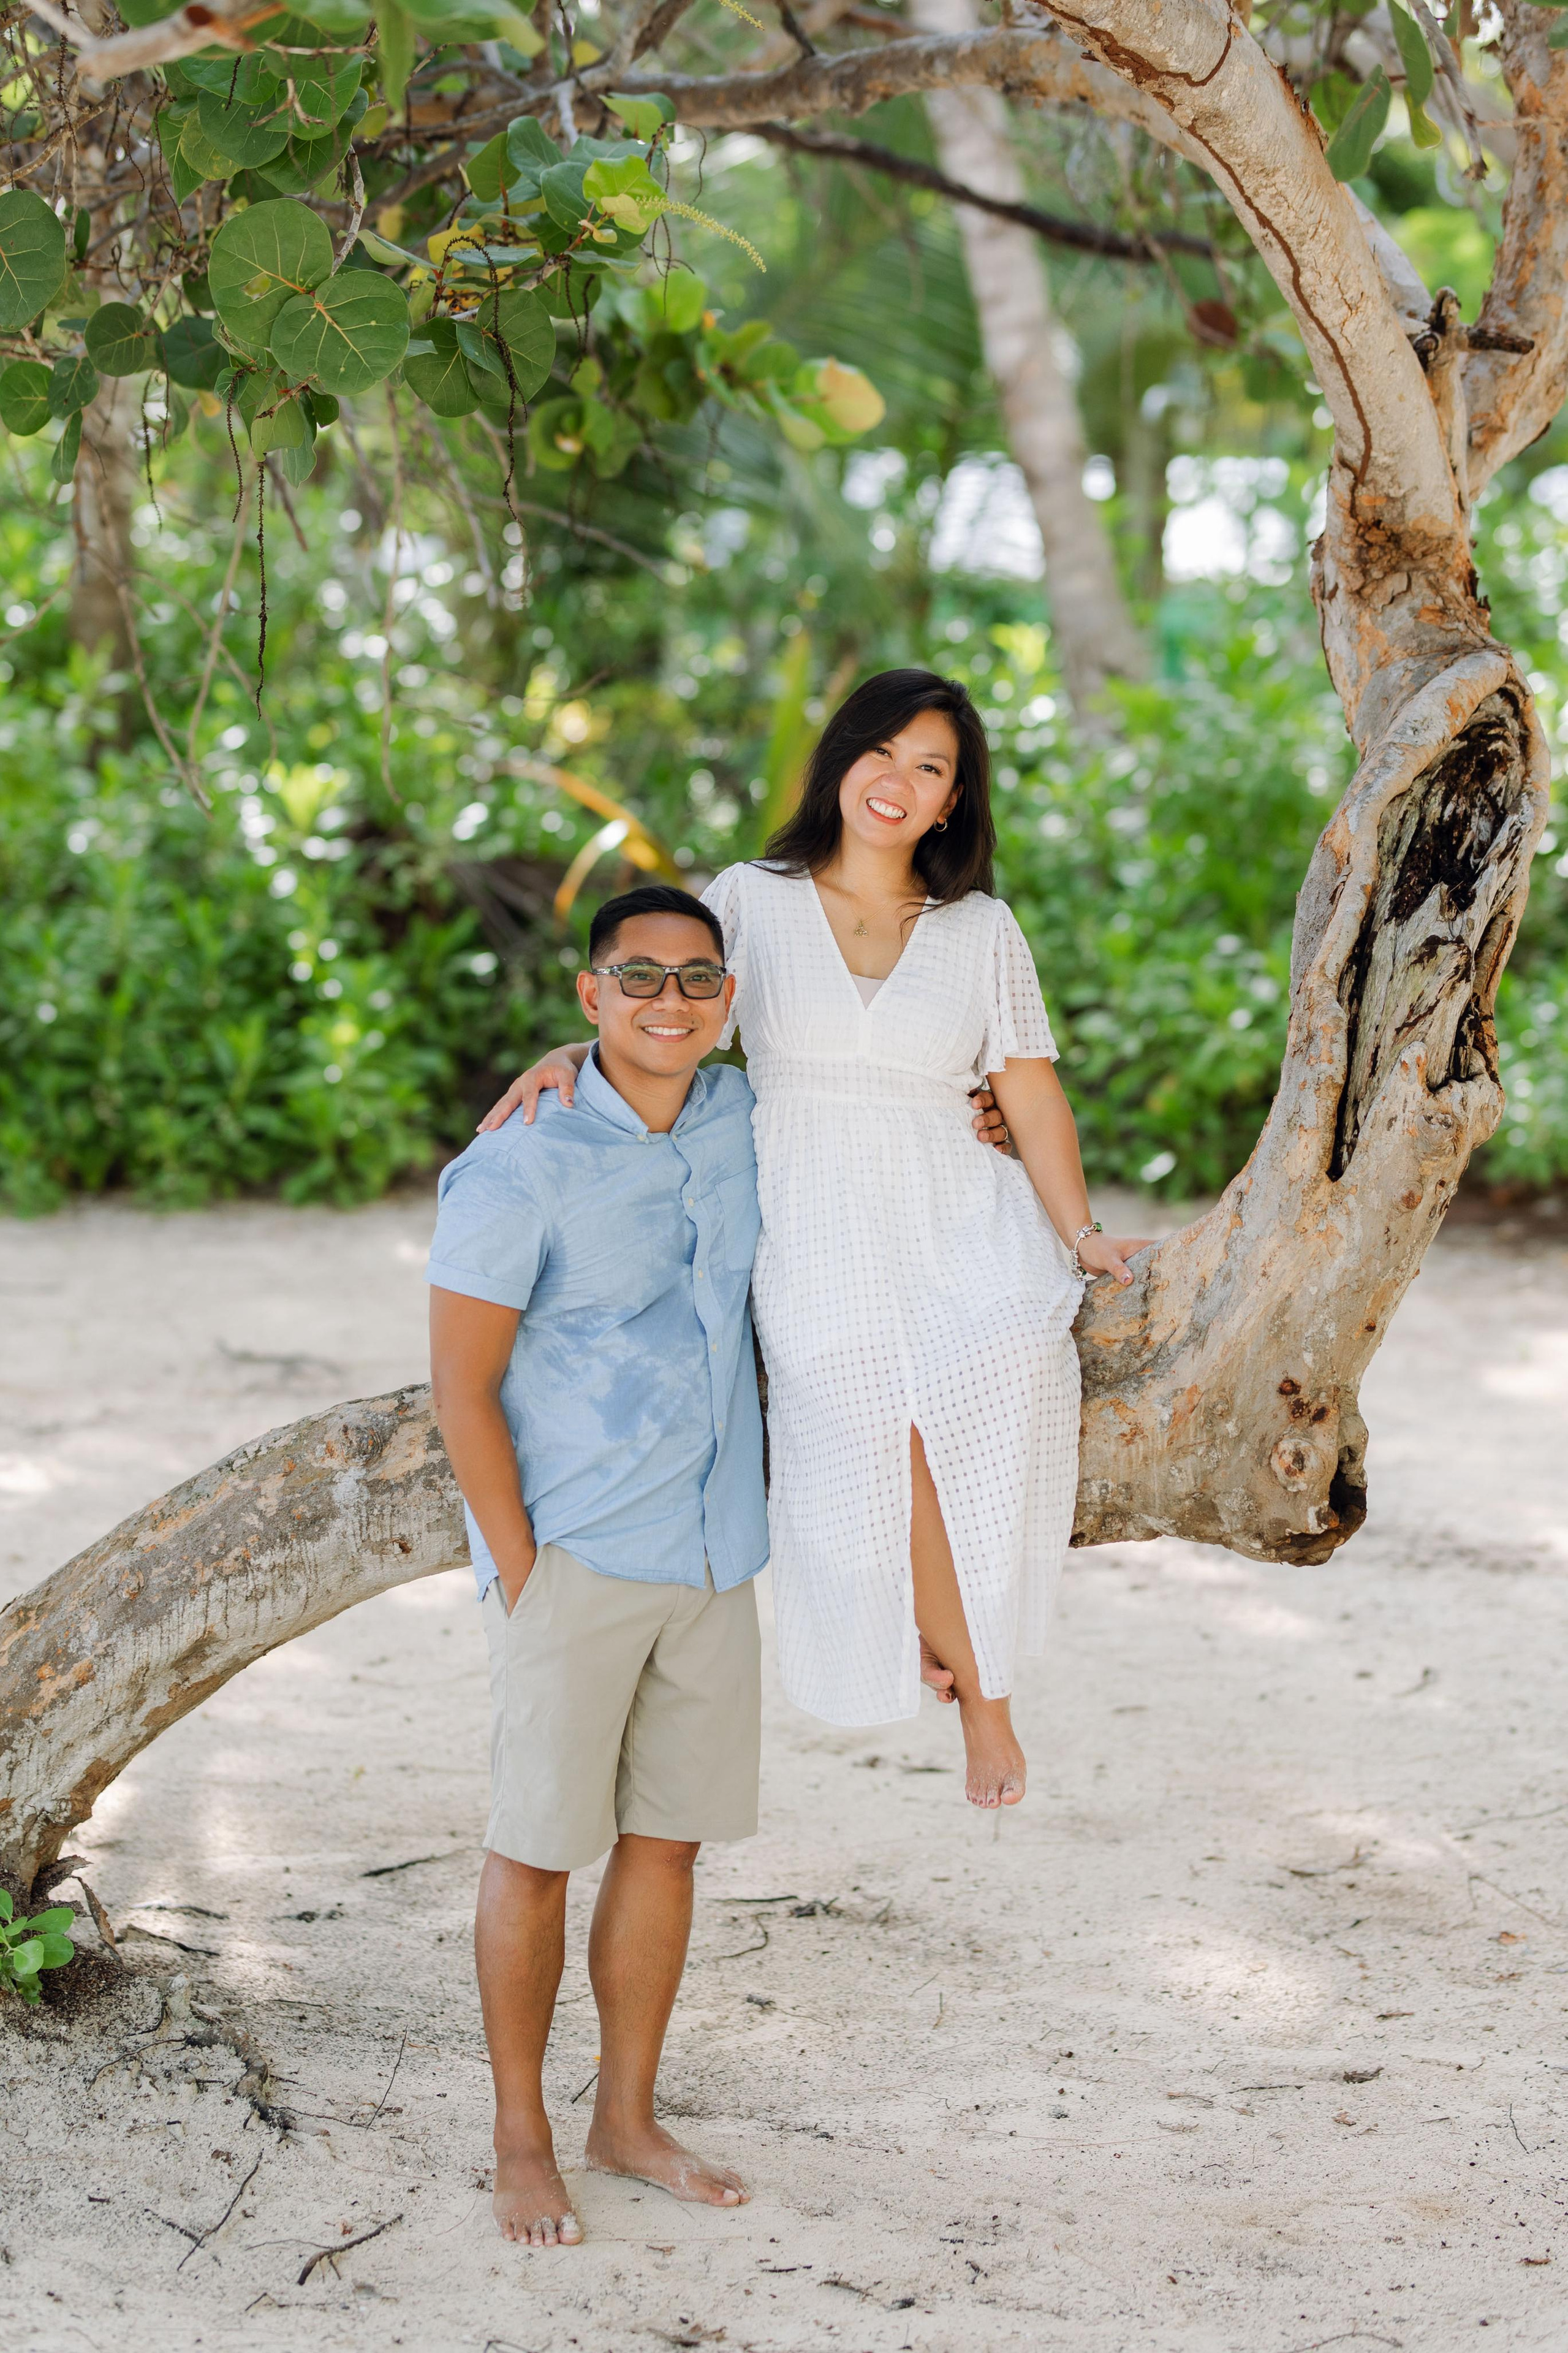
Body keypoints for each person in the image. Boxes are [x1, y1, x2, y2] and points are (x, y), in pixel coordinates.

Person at [482, 670, 1151, 1812]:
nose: (898, 782)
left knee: (1000, 1366)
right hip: (809, 1214)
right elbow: (668, 1010)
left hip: (955, 1204)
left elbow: (1030, 1094)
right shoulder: (752, 897)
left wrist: (1078, 1232)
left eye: (930, 768)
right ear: (841, 763)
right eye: (880, 753)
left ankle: (957, 1653)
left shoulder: (981, 928)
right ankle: (983, 1701)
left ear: (953, 804)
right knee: (869, 1411)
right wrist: (567, 1056)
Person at [427, 883, 767, 2249]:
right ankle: (520, 2136)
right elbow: (461, 1388)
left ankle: (623, 2117)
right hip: (574, 1551)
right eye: (636, 979)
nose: (667, 1004)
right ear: (587, 995)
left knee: (667, 1844)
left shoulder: (748, 1116)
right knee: (535, 1850)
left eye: (695, 981)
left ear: (726, 1001)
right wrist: (520, 1568)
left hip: (713, 1547)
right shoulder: (519, 1161)